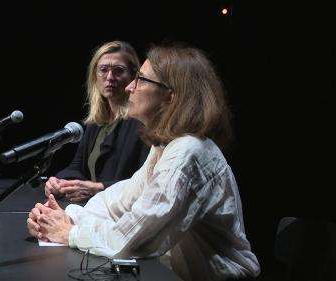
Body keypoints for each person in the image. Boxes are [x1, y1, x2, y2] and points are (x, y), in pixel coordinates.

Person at [28, 43, 260, 281]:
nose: (129, 87)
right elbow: (115, 204)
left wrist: (69, 232)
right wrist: (66, 217)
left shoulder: (188, 153)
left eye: (140, 79)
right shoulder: (166, 146)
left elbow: (130, 240)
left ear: (170, 96)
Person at [45, 41, 149, 202]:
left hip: (121, 213)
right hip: (92, 210)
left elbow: (146, 182)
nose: (109, 77)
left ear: (133, 76)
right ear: (95, 75)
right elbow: (76, 167)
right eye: (103, 70)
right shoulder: (97, 123)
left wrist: (99, 189)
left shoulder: (143, 123)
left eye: (118, 71)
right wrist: (60, 182)